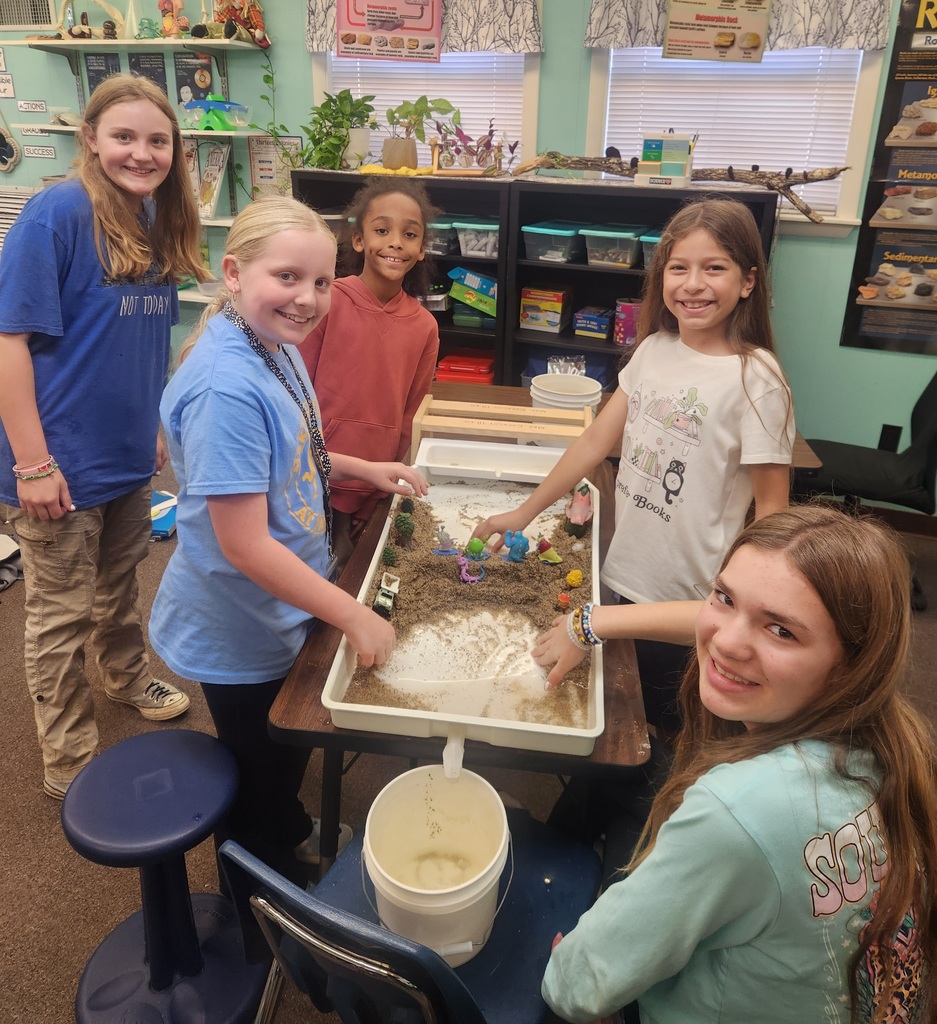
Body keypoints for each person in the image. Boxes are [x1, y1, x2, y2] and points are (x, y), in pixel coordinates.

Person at [537, 505, 936, 1024]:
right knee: (619, 782)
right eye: (724, 598)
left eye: (781, 631)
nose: (725, 641)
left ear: (850, 667)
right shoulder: (900, 745)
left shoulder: (736, 811)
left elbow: (575, 988)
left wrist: (574, 964)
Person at [149, 196, 429, 885]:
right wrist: (351, 613)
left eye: (322, 282)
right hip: (236, 624)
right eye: (287, 278)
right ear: (234, 272)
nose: (307, 299)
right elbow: (244, 545)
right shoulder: (226, 386)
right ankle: (258, 885)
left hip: (279, 605)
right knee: (258, 761)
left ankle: (287, 830)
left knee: (284, 748)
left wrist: (363, 467)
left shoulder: (272, 344)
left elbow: (297, 441)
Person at [473, 197, 794, 737]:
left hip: (694, 599)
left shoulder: (757, 379)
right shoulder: (654, 350)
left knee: (669, 735)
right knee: (619, 711)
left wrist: (743, 612)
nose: (693, 284)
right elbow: (595, 440)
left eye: (714, 267)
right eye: (678, 267)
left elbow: (774, 520)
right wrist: (523, 513)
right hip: (625, 574)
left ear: (747, 282)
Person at [0, 74, 205, 800]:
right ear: (90, 138)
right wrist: (32, 464)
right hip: (55, 463)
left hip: (124, 456)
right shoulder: (58, 211)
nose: (142, 153)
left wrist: (150, 427)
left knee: (118, 590)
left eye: (157, 140)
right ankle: (68, 757)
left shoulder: (154, 220)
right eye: (124, 136)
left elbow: (137, 343)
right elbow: (9, 341)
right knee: (59, 615)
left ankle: (123, 678)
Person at [299, 177, 441, 571]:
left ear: (421, 247)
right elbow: (296, 392)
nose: (396, 242)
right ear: (359, 239)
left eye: (409, 234)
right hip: (314, 477)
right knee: (307, 575)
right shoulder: (327, 301)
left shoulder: (425, 326)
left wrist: (385, 493)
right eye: (382, 230)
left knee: (354, 572)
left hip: (376, 485)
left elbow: (413, 413)